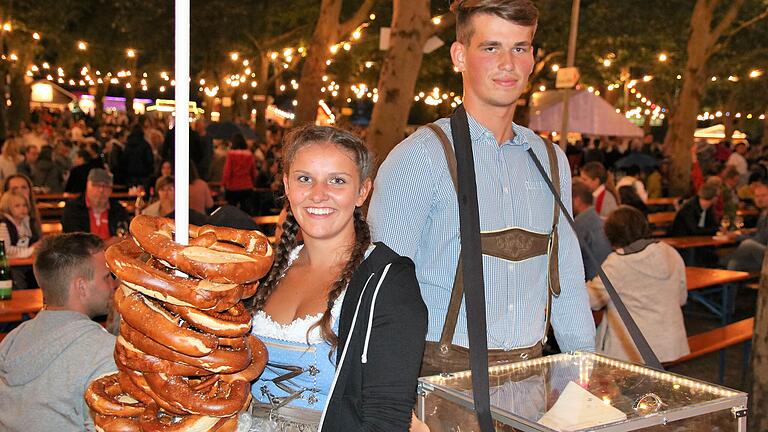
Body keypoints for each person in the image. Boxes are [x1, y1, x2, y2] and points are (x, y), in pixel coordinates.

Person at [369, 0, 595, 376]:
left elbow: (568, 286)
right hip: (440, 380)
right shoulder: (420, 157)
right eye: (491, 48)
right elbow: (381, 294)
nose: (508, 63)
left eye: (519, 48)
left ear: (532, 59)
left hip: (530, 375)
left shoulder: (553, 161)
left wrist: (582, 377)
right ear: (459, 55)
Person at [249, 125, 427, 431]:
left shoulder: (387, 282)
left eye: (337, 181)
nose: (318, 194)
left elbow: (386, 420)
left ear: (362, 192)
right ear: (287, 186)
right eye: (305, 179)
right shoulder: (264, 272)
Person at [0, 233, 118, 431]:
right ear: (81, 287)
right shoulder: (104, 352)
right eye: (107, 276)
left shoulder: (11, 340)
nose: (113, 285)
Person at [587, 206, 689, 363]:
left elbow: (593, 300)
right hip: (670, 344)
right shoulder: (670, 252)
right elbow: (681, 298)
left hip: (634, 350)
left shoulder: (618, 262)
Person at [62, 168, 130, 242]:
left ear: (111, 189)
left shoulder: (119, 210)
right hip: (83, 253)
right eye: (96, 185)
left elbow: (124, 237)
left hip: (113, 252)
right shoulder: (73, 208)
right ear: (87, 185)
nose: (101, 190)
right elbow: (74, 242)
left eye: (106, 186)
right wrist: (106, 244)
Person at [572, 179, 612, 281]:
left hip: (592, 283)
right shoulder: (599, 220)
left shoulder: (579, 225)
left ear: (577, 200)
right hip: (608, 278)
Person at [726, 181, 768, 272]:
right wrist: (751, 231)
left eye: (763, 196)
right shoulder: (763, 213)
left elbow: (761, 239)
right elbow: (761, 231)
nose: (760, 199)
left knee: (748, 244)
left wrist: (737, 237)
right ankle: (728, 285)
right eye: (757, 196)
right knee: (734, 264)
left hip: (766, 255)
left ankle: (723, 259)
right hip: (761, 254)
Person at [221, 133, 256, 214]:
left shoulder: (231, 154)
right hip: (247, 186)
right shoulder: (249, 154)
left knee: (231, 211)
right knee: (246, 212)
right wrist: (253, 183)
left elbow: (227, 170)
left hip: (233, 186)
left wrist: (223, 184)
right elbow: (253, 171)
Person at [3, 174, 43, 241]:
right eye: (15, 188)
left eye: (24, 187)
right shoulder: (4, 222)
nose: (20, 191)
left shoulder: (32, 215)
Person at [0, 191, 40, 258]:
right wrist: (30, 250)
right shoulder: (4, 225)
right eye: (17, 206)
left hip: (25, 259)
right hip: (10, 262)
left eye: (24, 205)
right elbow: (5, 249)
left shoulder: (27, 222)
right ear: (7, 207)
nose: (22, 208)